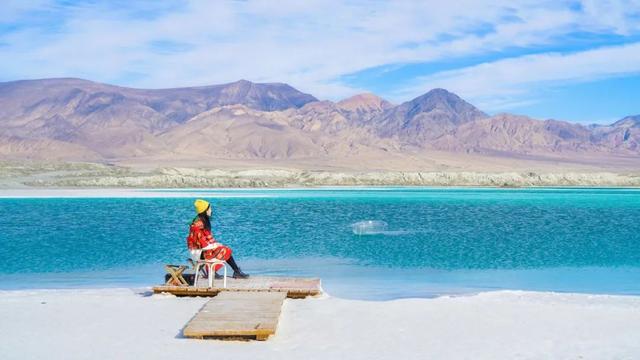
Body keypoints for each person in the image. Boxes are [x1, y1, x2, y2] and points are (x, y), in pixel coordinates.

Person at [186, 199, 249, 279]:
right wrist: (216, 245)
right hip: (198, 253)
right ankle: (215, 271)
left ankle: (234, 271)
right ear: (204, 210)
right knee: (225, 250)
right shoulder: (198, 226)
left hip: (201, 251)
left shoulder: (201, 222)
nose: (211, 211)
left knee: (223, 248)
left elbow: (207, 241)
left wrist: (216, 245)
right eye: (209, 209)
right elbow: (202, 245)